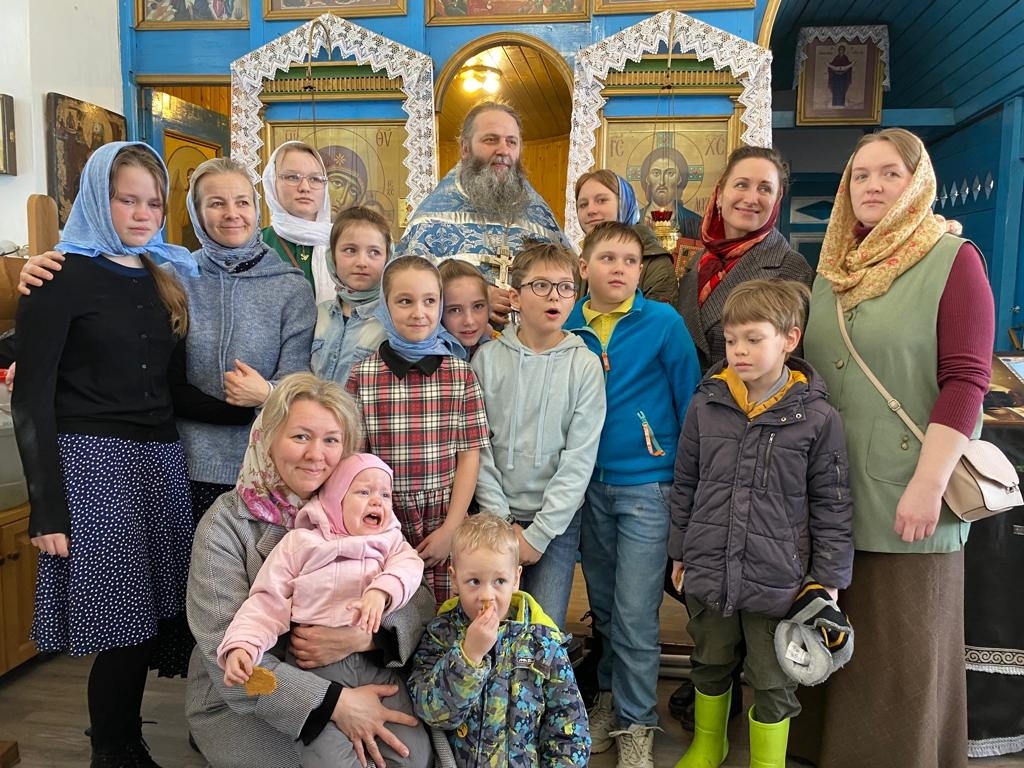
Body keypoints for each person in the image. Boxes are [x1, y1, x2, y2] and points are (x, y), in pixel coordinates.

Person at [792, 128, 995, 768]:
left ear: (918, 183)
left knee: (901, 654)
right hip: (830, 494)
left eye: (889, 174)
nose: (872, 187)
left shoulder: (952, 259)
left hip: (909, 492)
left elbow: (967, 380)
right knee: (827, 648)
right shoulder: (832, 270)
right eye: (860, 175)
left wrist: (929, 484)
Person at [10, 142, 198, 767]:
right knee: (122, 621)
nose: (143, 214)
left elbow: (174, 388)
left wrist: (267, 403)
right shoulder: (57, 276)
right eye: (127, 200)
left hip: (160, 461)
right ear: (97, 197)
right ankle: (112, 750)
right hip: (94, 463)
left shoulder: (164, 275)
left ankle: (125, 739)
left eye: (154, 203)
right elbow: (31, 398)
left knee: (152, 616)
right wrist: (46, 509)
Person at [16, 158, 318, 523]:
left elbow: (300, 381)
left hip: (263, 466)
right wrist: (36, 278)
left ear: (256, 208)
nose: (232, 214)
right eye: (216, 203)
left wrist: (267, 392)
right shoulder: (169, 276)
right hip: (177, 465)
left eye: (242, 202)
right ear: (196, 212)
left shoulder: (291, 287)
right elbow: (113, 334)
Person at [187, 372, 438, 768]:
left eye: (331, 440)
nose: (316, 455)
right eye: (301, 436)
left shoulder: (362, 505)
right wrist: (335, 703)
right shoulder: (224, 525)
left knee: (415, 756)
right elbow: (228, 658)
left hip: (360, 672)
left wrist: (364, 638)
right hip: (256, 697)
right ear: (268, 437)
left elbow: (419, 599)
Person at [668, 279, 853, 768]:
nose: (739, 351)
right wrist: (679, 549)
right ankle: (708, 744)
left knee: (774, 679)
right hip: (710, 566)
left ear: (789, 339)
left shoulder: (818, 418)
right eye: (731, 340)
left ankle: (767, 762)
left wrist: (829, 577)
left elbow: (833, 503)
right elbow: (686, 481)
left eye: (753, 338)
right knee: (709, 661)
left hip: (780, 578)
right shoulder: (706, 404)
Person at [564, 221, 701, 767]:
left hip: (648, 486)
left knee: (636, 613)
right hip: (588, 487)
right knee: (602, 608)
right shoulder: (569, 322)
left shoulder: (663, 322)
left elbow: (690, 403)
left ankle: (638, 721)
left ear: (641, 271)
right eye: (607, 258)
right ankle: (608, 700)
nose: (619, 269)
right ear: (585, 268)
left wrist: (688, 485)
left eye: (630, 260)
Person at [218, 452, 428, 768]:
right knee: (331, 759)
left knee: (414, 752)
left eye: (385, 494)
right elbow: (266, 602)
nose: (377, 501)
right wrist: (243, 645)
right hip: (316, 671)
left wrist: (381, 592)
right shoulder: (300, 543)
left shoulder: (391, 542)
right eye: (364, 492)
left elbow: (410, 569)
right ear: (334, 498)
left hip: (375, 665)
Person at [471, 242, 605, 628]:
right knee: (489, 623)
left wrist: (540, 534)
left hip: (555, 524)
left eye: (565, 287)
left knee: (543, 629)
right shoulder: (487, 359)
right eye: (541, 286)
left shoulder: (584, 365)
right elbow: (479, 447)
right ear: (515, 296)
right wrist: (499, 519)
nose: (555, 296)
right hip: (494, 516)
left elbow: (579, 457)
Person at [346, 256, 490, 604]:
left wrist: (452, 528)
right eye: (405, 301)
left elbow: (469, 457)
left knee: (445, 613)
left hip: (443, 517)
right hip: (383, 518)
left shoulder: (461, 375)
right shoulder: (363, 376)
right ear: (385, 305)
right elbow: (355, 462)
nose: (419, 313)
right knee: (388, 608)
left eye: (429, 301)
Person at [407, 513, 591, 766]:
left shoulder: (544, 644)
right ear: (455, 579)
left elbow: (570, 731)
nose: (486, 595)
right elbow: (432, 714)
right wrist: (469, 656)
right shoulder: (440, 635)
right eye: (474, 581)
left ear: (516, 579)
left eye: (499, 581)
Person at [395, 101, 571, 327]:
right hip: (456, 345)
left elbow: (567, 284)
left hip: (531, 345)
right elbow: (405, 289)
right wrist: (474, 297)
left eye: (511, 142)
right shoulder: (431, 217)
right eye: (491, 140)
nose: (503, 150)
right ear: (465, 148)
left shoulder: (540, 218)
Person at [675, 145, 814, 373]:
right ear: (720, 194)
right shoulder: (697, 262)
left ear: (777, 200)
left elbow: (793, 367)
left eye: (765, 189)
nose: (751, 198)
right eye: (741, 185)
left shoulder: (790, 268)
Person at [574, 169, 678, 304]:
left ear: (624, 203)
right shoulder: (583, 260)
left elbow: (660, 317)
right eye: (583, 205)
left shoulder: (655, 264)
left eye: (601, 200)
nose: (591, 210)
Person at [311, 206, 389, 384]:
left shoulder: (393, 322)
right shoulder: (318, 314)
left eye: (374, 252)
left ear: (388, 258)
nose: (362, 262)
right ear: (332, 256)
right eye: (350, 250)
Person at [261, 140, 335, 303]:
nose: (305, 187)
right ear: (272, 182)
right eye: (292, 177)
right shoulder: (257, 245)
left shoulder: (341, 243)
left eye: (315, 179)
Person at [637, 146, 703, 232]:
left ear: (679, 179)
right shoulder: (634, 222)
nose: (662, 182)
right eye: (656, 173)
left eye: (670, 173)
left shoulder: (695, 223)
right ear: (647, 178)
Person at [439, 259, 495, 357]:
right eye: (455, 310)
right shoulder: (433, 358)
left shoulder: (497, 345)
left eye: (477, 306)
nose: (469, 321)